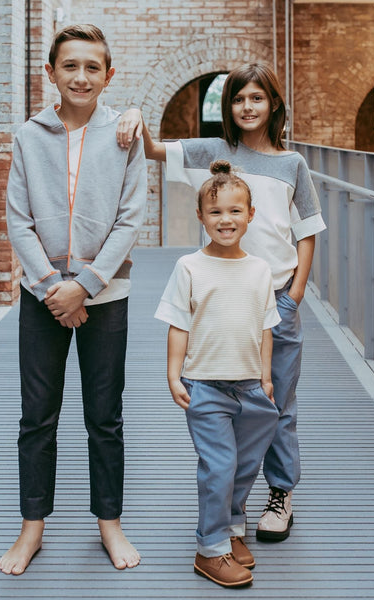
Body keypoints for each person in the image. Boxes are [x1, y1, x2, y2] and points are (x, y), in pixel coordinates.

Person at [119, 63, 325, 542]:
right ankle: (231, 503)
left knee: (277, 403)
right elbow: (151, 150)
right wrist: (134, 111)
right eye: (238, 99)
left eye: (257, 98)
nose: (248, 107)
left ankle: (280, 494)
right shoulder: (213, 153)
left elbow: (308, 233)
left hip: (275, 300)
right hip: (222, 302)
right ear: (227, 107)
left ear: (273, 104)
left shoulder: (293, 163)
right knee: (229, 402)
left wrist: (293, 295)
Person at [0, 23, 146, 576]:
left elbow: (131, 219)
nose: (80, 77)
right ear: (51, 73)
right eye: (69, 67)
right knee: (38, 416)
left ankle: (109, 522)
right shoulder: (28, 136)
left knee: (104, 416)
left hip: (106, 294)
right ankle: (32, 526)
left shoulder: (123, 135)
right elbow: (19, 220)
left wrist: (83, 286)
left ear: (108, 76)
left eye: (91, 68)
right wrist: (51, 288)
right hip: (41, 295)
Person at [155, 160, 281, 588]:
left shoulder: (260, 269)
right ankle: (210, 550)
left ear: (250, 215)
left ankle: (231, 528)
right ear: (201, 217)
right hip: (205, 384)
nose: (225, 220)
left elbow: (266, 327)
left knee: (245, 465)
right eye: (215, 212)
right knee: (219, 465)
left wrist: (265, 377)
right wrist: (174, 375)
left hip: (251, 386)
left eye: (234, 211)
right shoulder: (189, 267)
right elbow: (178, 324)